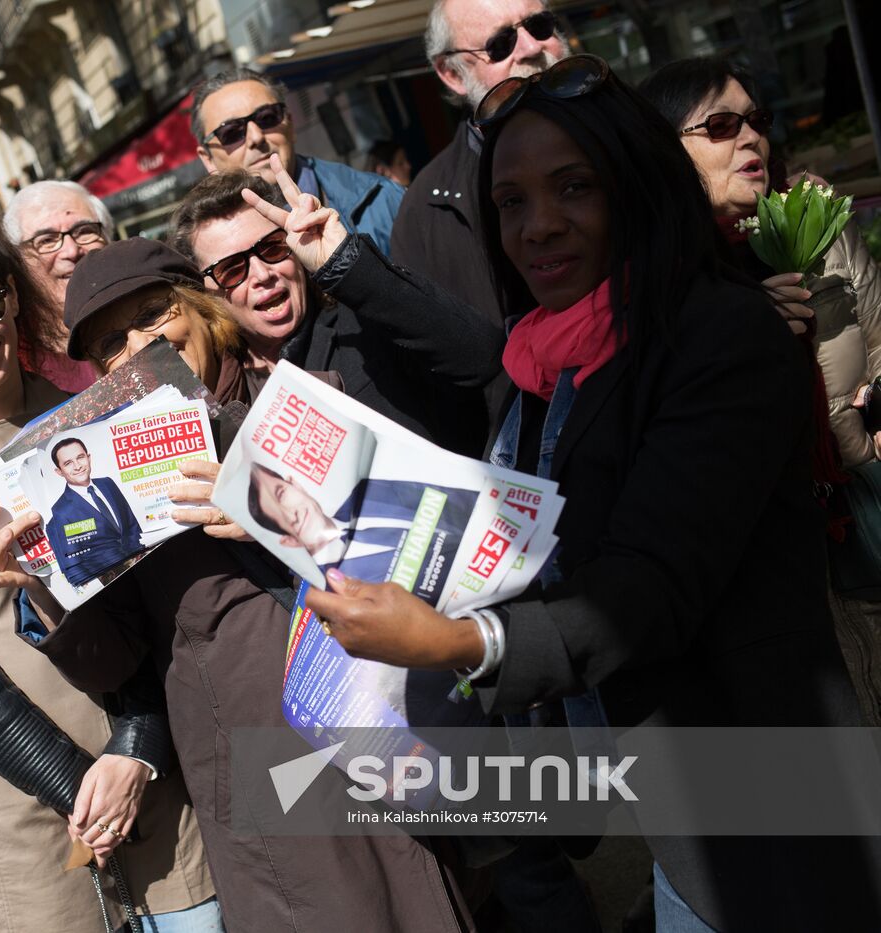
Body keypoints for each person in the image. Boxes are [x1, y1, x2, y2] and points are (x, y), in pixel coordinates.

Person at [298, 55, 879, 930]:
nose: (539, 225)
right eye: (511, 203)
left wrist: (456, 639)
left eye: (574, 188)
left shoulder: (720, 335)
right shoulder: (545, 355)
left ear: (637, 189)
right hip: (671, 820)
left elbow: (644, 590)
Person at [0, 236, 476, 932]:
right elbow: (118, 657)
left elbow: (415, 548)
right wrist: (42, 586)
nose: (139, 345)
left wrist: (264, 508)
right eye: (112, 343)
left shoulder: (304, 403)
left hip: (363, 738)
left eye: (154, 312)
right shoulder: (117, 478)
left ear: (202, 309)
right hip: (248, 781)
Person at [0, 197, 217, 932]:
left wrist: (137, 754)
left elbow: (159, 604)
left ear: (14, 297)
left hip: (145, 777)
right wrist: (76, 782)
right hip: (12, 804)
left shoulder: (96, 411)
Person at [639, 57, 881, 469]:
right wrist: (746, 327)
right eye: (721, 126)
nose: (751, 137)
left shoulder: (818, 218)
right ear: (664, 149)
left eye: (757, 120)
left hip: (862, 482)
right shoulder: (653, 273)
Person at [169, 168, 501, 457]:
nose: (262, 274)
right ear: (206, 291)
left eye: (272, 247)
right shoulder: (217, 386)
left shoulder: (364, 324)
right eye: (231, 269)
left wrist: (343, 263)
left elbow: (481, 356)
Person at [389, 0, 568, 326]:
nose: (531, 47)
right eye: (500, 44)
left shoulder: (631, 134)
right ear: (452, 73)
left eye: (540, 26)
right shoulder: (424, 211)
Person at [190, 68, 404, 254]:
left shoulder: (382, 198)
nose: (256, 137)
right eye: (232, 132)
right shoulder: (207, 254)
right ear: (207, 158)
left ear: (290, 124)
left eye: (267, 117)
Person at [247, 465, 476, 585]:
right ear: (288, 540)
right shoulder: (334, 588)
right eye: (279, 516)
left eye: (281, 494)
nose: (292, 512)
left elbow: (457, 497)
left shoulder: (366, 488)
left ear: (294, 484)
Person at [3, 179, 114, 392]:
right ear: (18, 264)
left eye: (84, 231)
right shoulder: (9, 359)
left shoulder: (153, 318)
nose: (72, 251)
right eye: (46, 240)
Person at [45, 437, 145, 587]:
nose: (77, 466)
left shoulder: (107, 483)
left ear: (88, 457)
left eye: (80, 457)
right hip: (113, 585)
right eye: (68, 463)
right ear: (59, 471)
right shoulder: (61, 512)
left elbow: (131, 523)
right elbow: (75, 563)